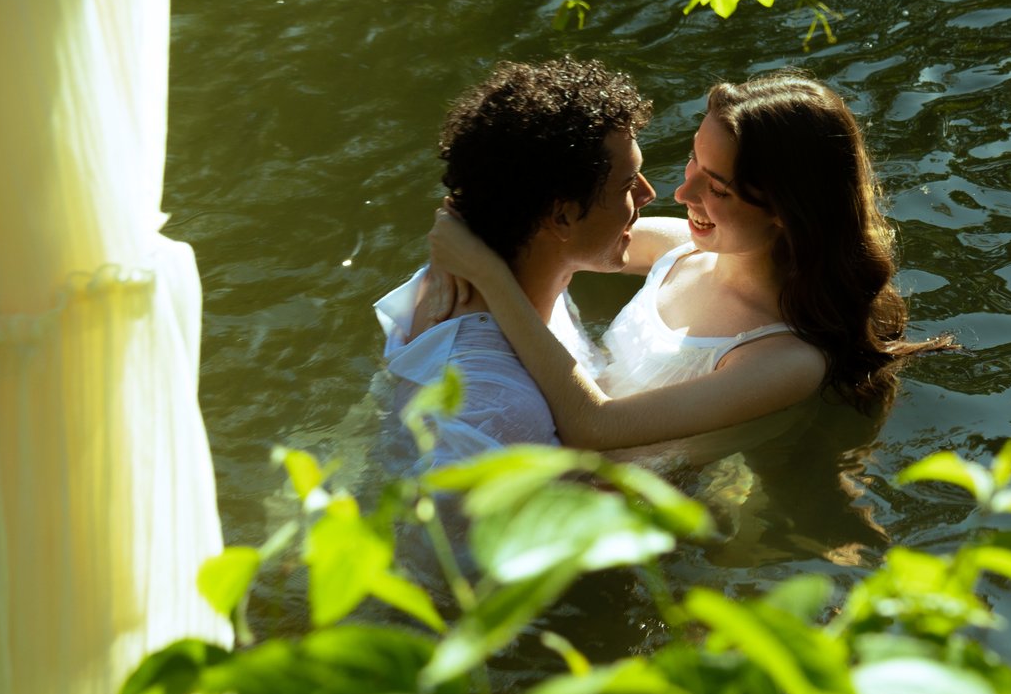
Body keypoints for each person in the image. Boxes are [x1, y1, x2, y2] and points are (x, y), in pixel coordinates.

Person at [426, 70, 951, 452]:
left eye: (716, 188)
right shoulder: (681, 247)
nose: (681, 192)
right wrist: (459, 221)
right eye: (692, 159)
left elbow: (597, 427)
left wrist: (489, 276)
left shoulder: (786, 359)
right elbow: (548, 223)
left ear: (787, 214)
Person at [374, 59, 656, 467]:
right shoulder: (496, 413)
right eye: (629, 184)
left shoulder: (519, 269)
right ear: (560, 217)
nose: (648, 195)